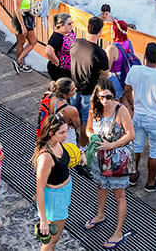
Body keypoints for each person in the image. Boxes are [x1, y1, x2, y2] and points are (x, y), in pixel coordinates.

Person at [85, 80, 135, 249]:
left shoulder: (121, 110)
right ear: (97, 97)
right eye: (102, 97)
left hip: (117, 160)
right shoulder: (95, 109)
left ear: (113, 95)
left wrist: (111, 145)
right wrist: (94, 138)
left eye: (109, 97)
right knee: (100, 186)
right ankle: (100, 214)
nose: (105, 100)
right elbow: (88, 129)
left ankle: (118, 232)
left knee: (119, 195)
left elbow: (131, 135)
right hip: (100, 156)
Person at [123, 42, 156, 192]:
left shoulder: (134, 70)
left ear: (144, 56)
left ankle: (132, 176)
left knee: (136, 147)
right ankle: (150, 183)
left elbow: (127, 90)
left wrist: (132, 104)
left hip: (138, 115)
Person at [33, 114, 71, 251]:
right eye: (62, 133)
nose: (66, 135)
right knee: (51, 241)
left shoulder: (57, 142)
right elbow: (39, 189)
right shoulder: (46, 157)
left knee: (53, 240)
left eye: (66, 131)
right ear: (51, 133)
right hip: (55, 198)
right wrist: (43, 219)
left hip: (64, 191)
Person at [70, 17, 110, 143]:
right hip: (89, 92)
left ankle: (70, 142)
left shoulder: (76, 43)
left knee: (71, 117)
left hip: (74, 88)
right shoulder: (99, 53)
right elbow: (105, 75)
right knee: (86, 123)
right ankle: (83, 148)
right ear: (100, 32)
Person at [12, 0, 37, 74]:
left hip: (28, 17)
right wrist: (22, 25)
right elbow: (17, 9)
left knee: (30, 41)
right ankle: (20, 62)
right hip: (21, 18)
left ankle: (19, 61)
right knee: (22, 42)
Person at [105, 19, 136, 99]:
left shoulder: (112, 48)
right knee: (124, 103)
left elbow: (107, 69)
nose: (110, 32)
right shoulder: (128, 42)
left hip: (115, 80)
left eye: (112, 30)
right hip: (126, 77)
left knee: (114, 105)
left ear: (115, 32)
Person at [46, 13, 75, 81]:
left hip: (68, 68)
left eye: (71, 23)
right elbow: (48, 51)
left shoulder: (70, 32)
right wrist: (57, 62)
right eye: (69, 24)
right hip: (59, 70)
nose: (71, 26)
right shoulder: (57, 37)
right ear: (60, 25)